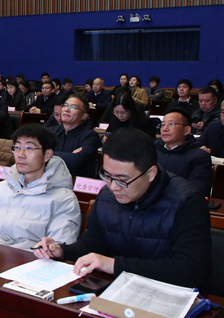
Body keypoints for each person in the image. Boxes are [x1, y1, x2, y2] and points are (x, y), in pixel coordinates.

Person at [33, 128, 212, 289]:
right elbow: (92, 244)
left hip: (168, 295)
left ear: (151, 173)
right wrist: (62, 251)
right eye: (107, 176)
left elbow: (189, 271)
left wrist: (113, 265)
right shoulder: (107, 196)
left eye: (122, 180)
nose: (113, 187)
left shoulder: (186, 202)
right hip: (116, 289)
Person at [0, 124, 81, 249]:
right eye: (17, 147)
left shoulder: (64, 199)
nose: (21, 154)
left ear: (47, 155)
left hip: (30, 258)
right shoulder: (0, 188)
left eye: (29, 148)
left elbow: (57, 248)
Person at [155, 108, 213, 195]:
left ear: (186, 130)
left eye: (171, 124)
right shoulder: (152, 150)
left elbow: (197, 190)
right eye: (163, 125)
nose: (165, 129)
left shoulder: (199, 156)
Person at [48, 94, 101, 179]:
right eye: (65, 106)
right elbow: (36, 156)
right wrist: (70, 156)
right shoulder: (50, 132)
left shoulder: (90, 136)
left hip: (76, 182)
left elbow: (77, 162)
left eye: (73, 107)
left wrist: (47, 154)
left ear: (84, 116)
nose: (67, 109)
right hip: (50, 179)